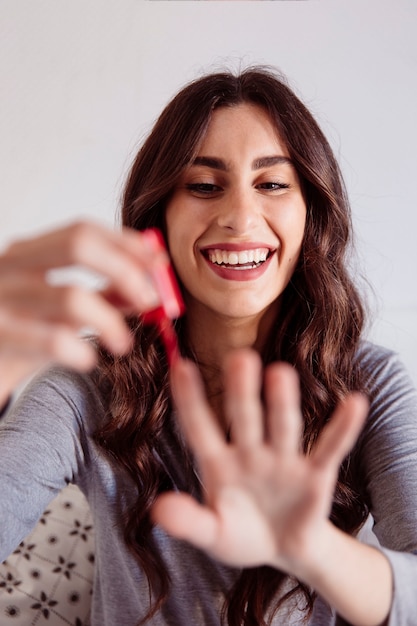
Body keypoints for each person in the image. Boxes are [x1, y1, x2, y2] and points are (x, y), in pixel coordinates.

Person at [0, 67, 416, 626]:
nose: (240, 217)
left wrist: (314, 548)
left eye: (272, 184)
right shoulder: (84, 385)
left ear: (311, 213)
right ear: (159, 218)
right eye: (203, 186)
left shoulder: (371, 383)